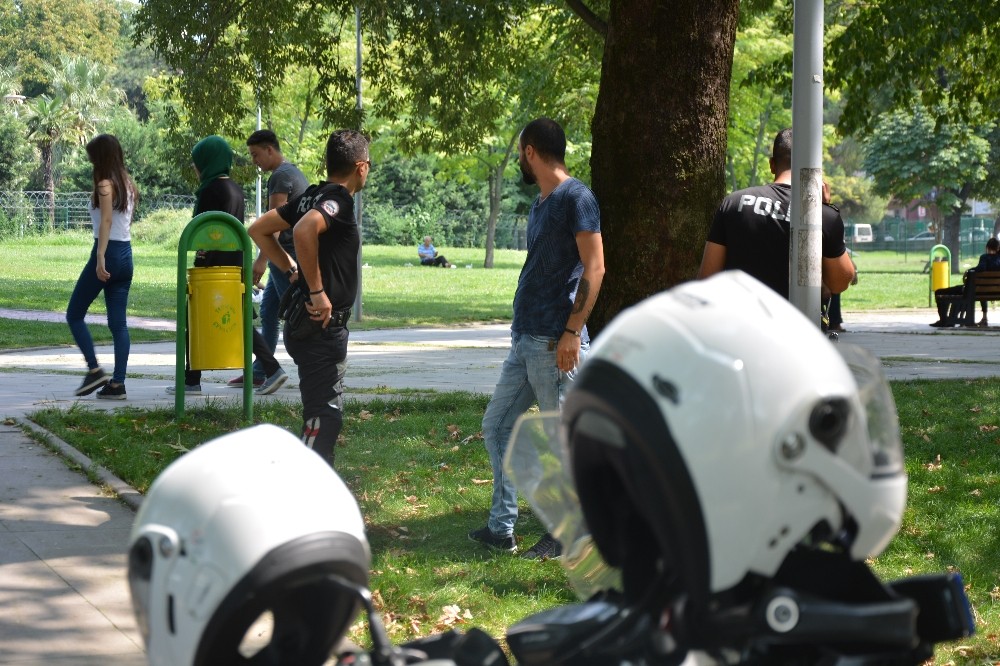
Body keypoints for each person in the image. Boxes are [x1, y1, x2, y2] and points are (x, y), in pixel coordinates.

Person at [468, 117, 605, 560]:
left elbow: (596, 267)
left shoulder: (576, 198)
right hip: (526, 339)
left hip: (554, 343)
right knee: (498, 426)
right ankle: (501, 528)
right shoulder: (542, 203)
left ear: (530, 152)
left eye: (521, 154)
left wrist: (570, 332)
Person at [248, 129, 368, 468]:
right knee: (322, 421)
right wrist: (315, 290)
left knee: (325, 417)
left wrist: (291, 271)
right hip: (319, 329)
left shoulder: (310, 196)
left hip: (316, 329)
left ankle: (315, 493)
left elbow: (257, 229)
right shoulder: (337, 200)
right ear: (361, 167)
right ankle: (301, 494)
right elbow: (303, 231)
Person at [169, 135, 287, 396]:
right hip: (235, 261)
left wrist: (200, 259)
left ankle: (191, 380)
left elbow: (200, 229)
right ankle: (272, 367)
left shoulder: (210, 189)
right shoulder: (235, 188)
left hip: (212, 262)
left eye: (197, 162)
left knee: (194, 316)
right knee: (240, 318)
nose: (196, 168)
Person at [697, 128, 856, 298]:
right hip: (796, 321)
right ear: (814, 169)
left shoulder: (733, 202)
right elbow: (840, 282)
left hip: (739, 321)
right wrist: (824, 209)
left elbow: (707, 278)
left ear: (772, 164)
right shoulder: (824, 215)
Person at [229, 129, 310, 391]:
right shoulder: (292, 173)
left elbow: (272, 224)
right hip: (291, 251)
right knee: (269, 311)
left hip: (284, 254)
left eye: (255, 154)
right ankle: (261, 369)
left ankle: (315, 366)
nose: (254, 161)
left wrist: (261, 260)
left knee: (298, 313)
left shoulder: (280, 177)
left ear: (269, 150)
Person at [68, 134, 138, 400]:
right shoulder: (127, 184)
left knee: (74, 314)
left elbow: (106, 222)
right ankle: (117, 384)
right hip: (126, 254)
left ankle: (95, 369)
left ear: (101, 158)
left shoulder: (105, 185)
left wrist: (100, 257)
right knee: (118, 324)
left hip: (108, 251)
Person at [931, 237, 1000, 328]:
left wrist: (969, 270)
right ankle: (983, 318)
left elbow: (981, 268)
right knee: (981, 289)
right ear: (998, 248)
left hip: (973, 291)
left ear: (987, 247)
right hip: (991, 291)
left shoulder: (985, 257)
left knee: (939, 292)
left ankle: (944, 320)